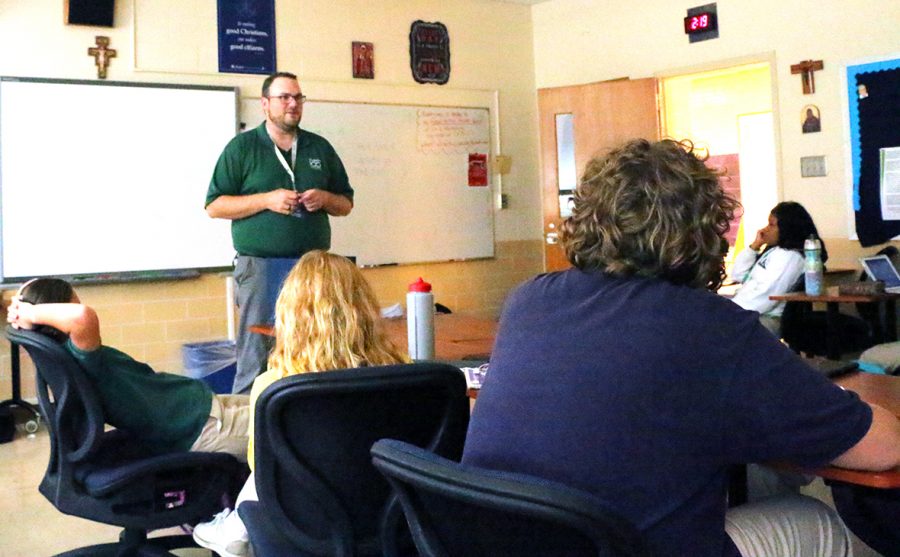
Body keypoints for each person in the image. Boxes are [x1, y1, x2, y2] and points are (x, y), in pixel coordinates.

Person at [462, 139, 900, 557]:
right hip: (624, 547)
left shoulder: (529, 299)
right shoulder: (709, 326)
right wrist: (843, 400)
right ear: (704, 228)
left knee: (764, 479)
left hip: (502, 542)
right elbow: (882, 449)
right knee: (814, 520)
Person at [192, 250, 408, 557]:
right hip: (395, 520)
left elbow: (261, 467)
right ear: (366, 307)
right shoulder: (408, 374)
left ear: (290, 313)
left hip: (306, 526)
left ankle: (232, 530)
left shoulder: (277, 386)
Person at [206, 71, 354, 395]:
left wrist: (325, 198)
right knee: (257, 355)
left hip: (313, 269)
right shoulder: (242, 148)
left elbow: (345, 204)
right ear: (264, 104)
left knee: (317, 350)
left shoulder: (319, 147)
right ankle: (249, 434)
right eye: (284, 97)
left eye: (298, 97)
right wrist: (267, 200)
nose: (292, 104)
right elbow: (215, 206)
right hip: (261, 269)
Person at [6, 278, 250, 460]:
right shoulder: (79, 356)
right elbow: (82, 316)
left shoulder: (63, 355)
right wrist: (31, 312)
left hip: (195, 407)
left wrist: (24, 310)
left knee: (271, 401)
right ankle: (237, 526)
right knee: (286, 425)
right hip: (199, 427)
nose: (79, 301)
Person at [730, 201, 826, 336]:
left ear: (787, 227)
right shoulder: (775, 250)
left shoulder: (790, 257)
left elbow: (766, 295)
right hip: (747, 310)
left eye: (772, 225)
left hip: (766, 317)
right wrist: (755, 246)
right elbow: (738, 275)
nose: (765, 230)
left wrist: (731, 312)